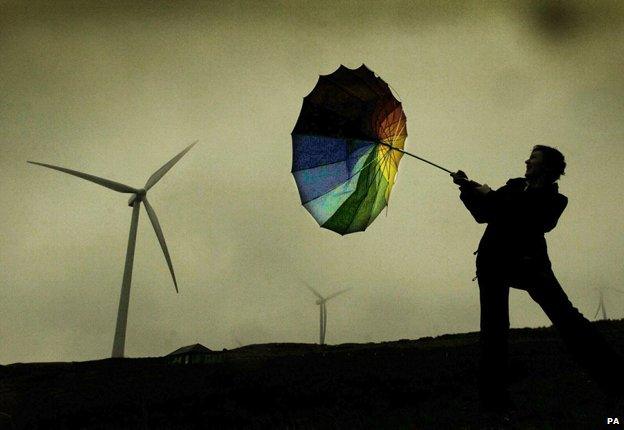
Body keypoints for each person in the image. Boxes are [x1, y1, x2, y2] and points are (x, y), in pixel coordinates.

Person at [451, 145, 623, 413]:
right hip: (492, 263)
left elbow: (531, 220)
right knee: (494, 331)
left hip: (530, 266)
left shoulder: (555, 200)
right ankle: (494, 402)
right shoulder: (514, 186)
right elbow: (485, 214)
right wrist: (466, 189)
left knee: (568, 320)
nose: (527, 161)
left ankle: (616, 381)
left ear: (548, 168)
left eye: (533, 158)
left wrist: (490, 196)